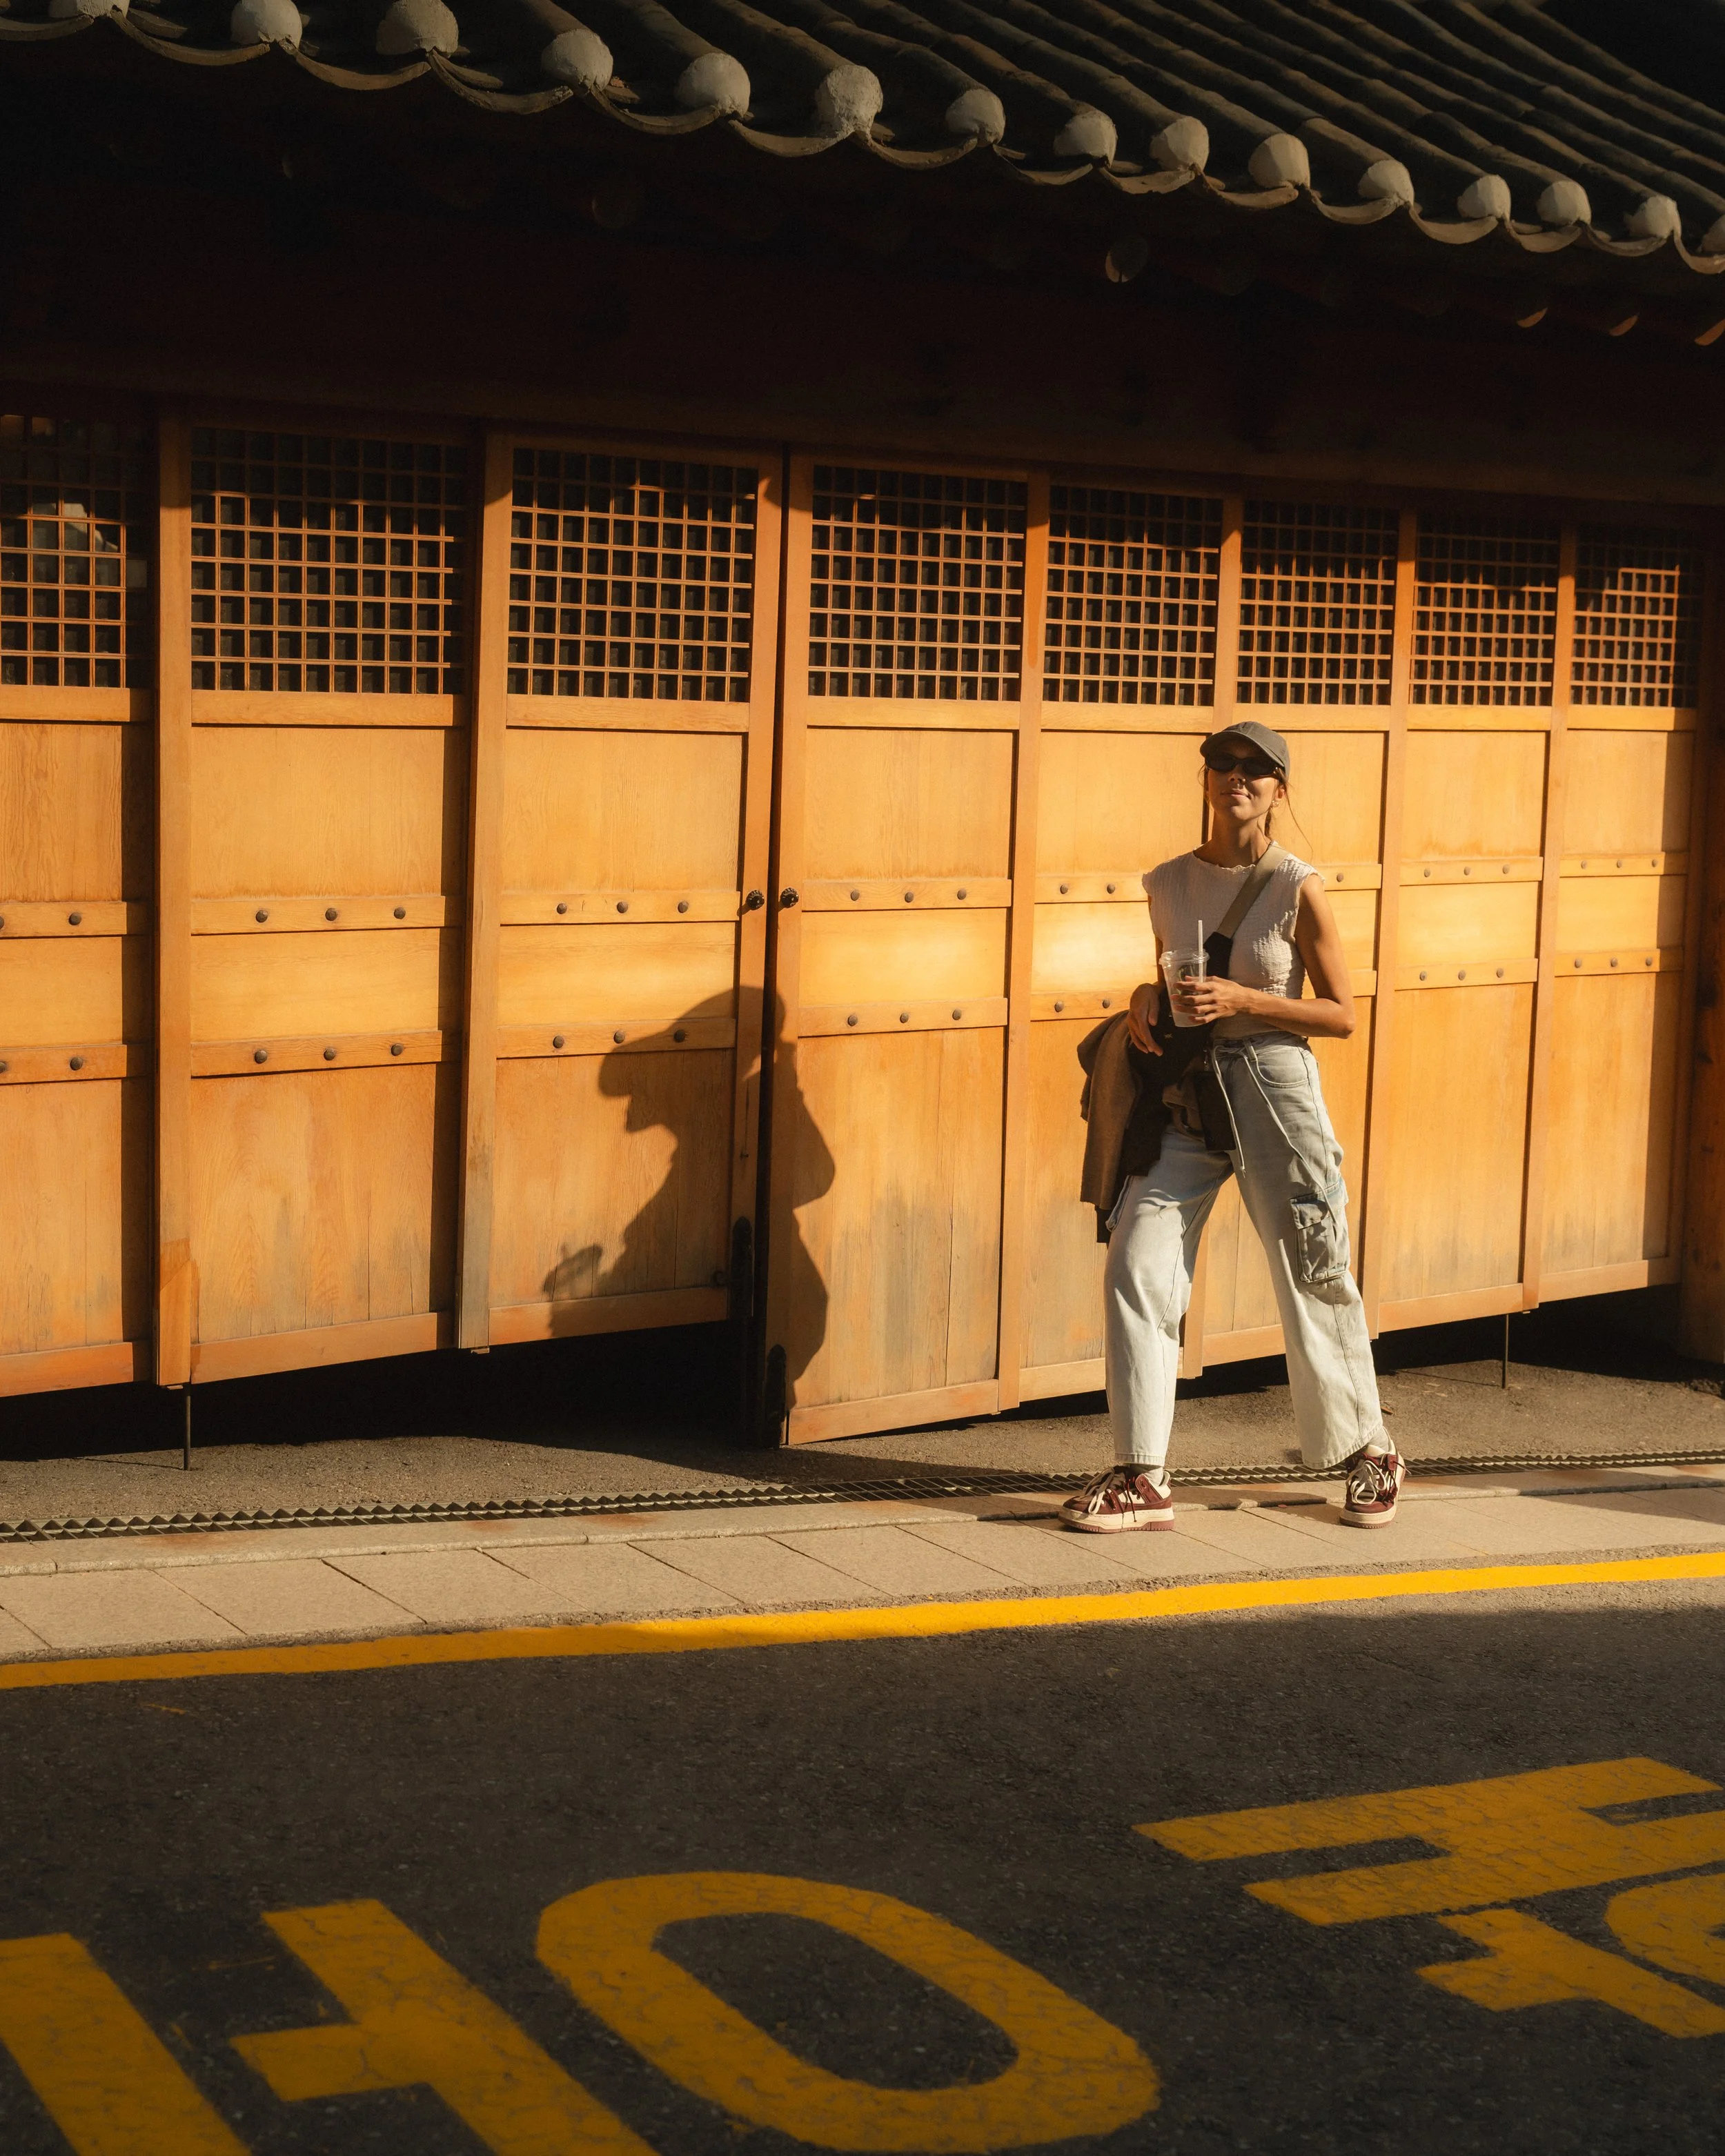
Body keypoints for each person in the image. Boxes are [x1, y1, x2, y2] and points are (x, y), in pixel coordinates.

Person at [1061, 720, 1406, 1534]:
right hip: (1185, 1097)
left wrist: (1248, 1000)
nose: (1237, 776)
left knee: (1313, 1268)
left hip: (1274, 1090)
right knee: (1135, 1263)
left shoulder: (1295, 886)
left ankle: (1372, 1447)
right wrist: (1144, 999)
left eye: (1257, 768)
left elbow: (1342, 1014)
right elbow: (1169, 977)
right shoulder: (1166, 881)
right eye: (1223, 762)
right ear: (1206, 778)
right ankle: (1141, 1471)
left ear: (1280, 789)